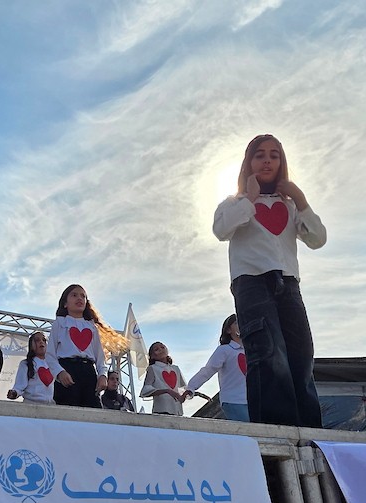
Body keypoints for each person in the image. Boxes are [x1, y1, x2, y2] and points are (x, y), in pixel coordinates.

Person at [213, 134, 326, 427]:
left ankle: (311, 431)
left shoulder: (289, 205)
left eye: (274, 155)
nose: (267, 160)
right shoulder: (233, 202)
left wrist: (300, 199)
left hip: (288, 282)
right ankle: (277, 431)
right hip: (251, 282)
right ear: (248, 161)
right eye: (260, 154)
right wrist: (249, 198)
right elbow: (222, 229)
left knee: (302, 355)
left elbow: (317, 238)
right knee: (267, 354)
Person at [50, 284, 109, 409]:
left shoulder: (92, 327)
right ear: (65, 303)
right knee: (67, 411)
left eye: (83, 296)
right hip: (67, 371)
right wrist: (60, 372)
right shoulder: (60, 323)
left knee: (93, 412)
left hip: (88, 372)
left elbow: (100, 357)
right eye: (74, 295)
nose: (79, 298)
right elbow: (50, 355)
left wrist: (102, 375)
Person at [186, 314, 249, 422]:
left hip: (254, 400)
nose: (241, 324)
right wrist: (190, 388)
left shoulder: (251, 350)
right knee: (248, 432)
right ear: (228, 330)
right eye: (236, 322)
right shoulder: (224, 350)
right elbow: (208, 370)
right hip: (233, 400)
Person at [7, 331, 66, 404]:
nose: (41, 342)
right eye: (37, 340)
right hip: (31, 405)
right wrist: (14, 393)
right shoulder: (26, 364)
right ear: (31, 346)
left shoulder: (54, 364)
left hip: (50, 406)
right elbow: (19, 386)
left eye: (44, 340)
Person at [140, 342, 186, 416]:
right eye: (156, 349)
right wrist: (166, 391)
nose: (161, 350)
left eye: (162, 347)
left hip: (177, 410)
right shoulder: (153, 368)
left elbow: (182, 388)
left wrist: (184, 395)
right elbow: (146, 389)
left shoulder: (175, 368)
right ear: (152, 356)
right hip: (161, 409)